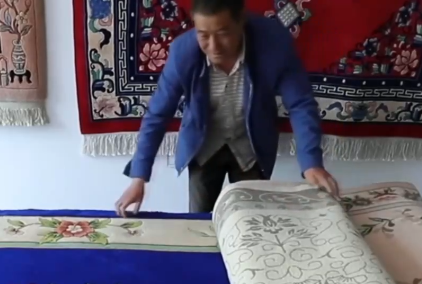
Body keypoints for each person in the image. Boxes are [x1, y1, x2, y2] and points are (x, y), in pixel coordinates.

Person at [115, 0, 338, 216]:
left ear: (241, 21)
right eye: (203, 35)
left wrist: (311, 163)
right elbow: (158, 114)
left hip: (252, 148)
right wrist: (138, 178)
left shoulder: (275, 43)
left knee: (251, 221)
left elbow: (300, 104)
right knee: (200, 222)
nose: (214, 47)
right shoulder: (182, 52)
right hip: (202, 148)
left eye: (223, 33)